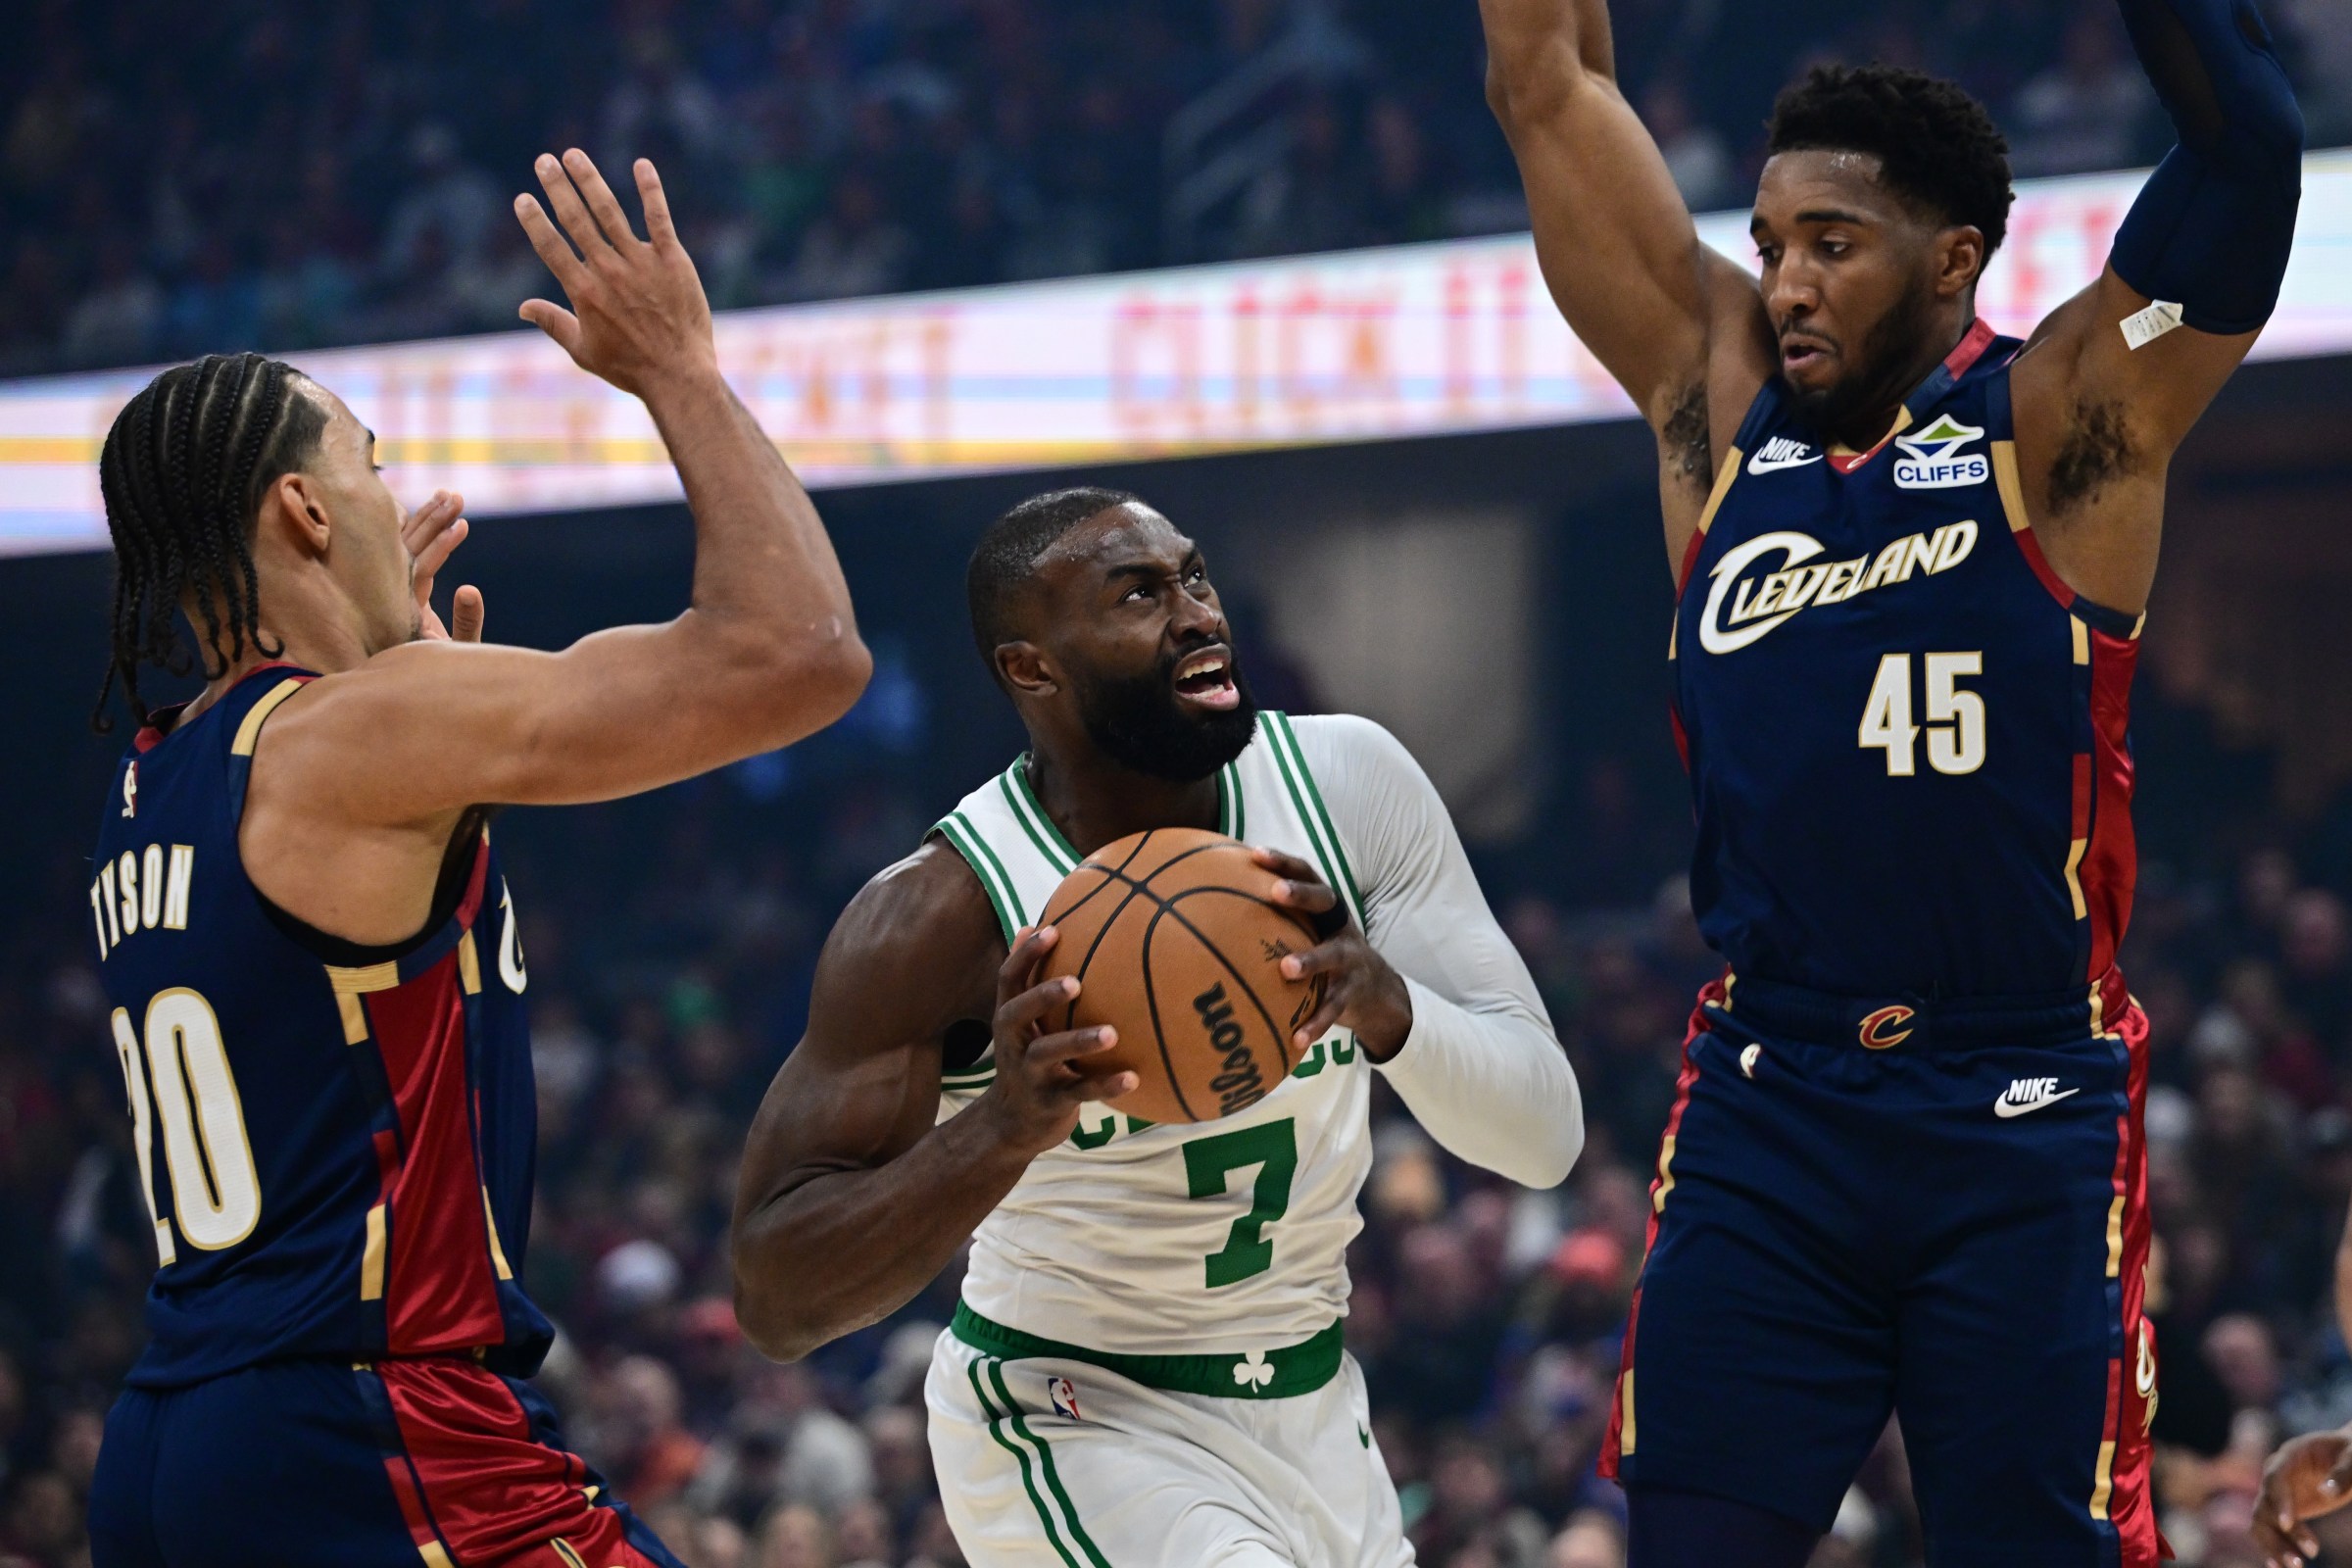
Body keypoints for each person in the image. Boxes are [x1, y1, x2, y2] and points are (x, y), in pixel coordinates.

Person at [1477, 0, 2303, 1559]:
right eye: (1771, 242)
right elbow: (1550, 84)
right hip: (1775, 1096)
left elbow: (2246, 151)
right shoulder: (1715, 403)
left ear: (1951, 260)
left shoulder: (2071, 413)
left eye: (1833, 244)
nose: (1787, 279)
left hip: (2023, 1103)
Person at [82, 149, 869, 1566]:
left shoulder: (154, 780)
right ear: (306, 512)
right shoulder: (361, 734)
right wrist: (680, 370)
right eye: (370, 464)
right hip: (371, 1430)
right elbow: (797, 654)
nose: (395, 494)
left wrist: (414, 710)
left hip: (171, 1443)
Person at [729, 488, 1585, 1567]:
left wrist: (1387, 1006)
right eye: (1138, 596)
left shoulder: (1346, 786)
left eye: (1195, 576)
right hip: (1073, 1413)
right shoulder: (943, 915)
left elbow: (1545, 1140)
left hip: (1316, 1404)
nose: (1196, 614)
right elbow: (776, 1297)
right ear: (1032, 668)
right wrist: (999, 1127)